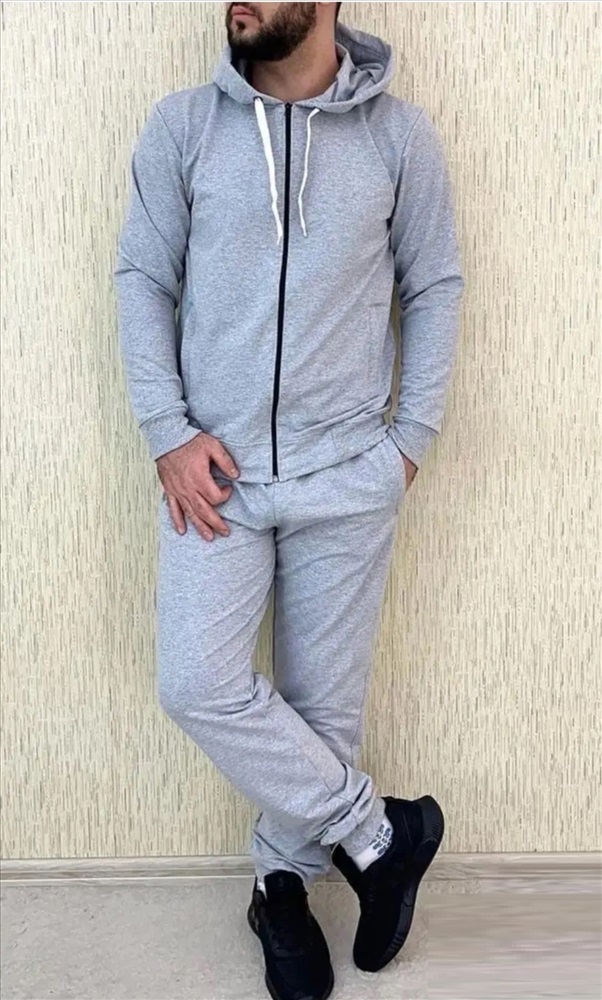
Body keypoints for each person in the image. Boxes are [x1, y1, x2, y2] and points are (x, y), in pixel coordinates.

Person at [113, 3, 464, 998]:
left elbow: (433, 285)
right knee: (196, 681)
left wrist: (408, 443)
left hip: (349, 472)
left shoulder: (397, 136)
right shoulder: (184, 126)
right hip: (214, 477)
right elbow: (142, 279)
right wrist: (167, 431)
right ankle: (379, 835)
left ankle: (280, 885)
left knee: (322, 708)